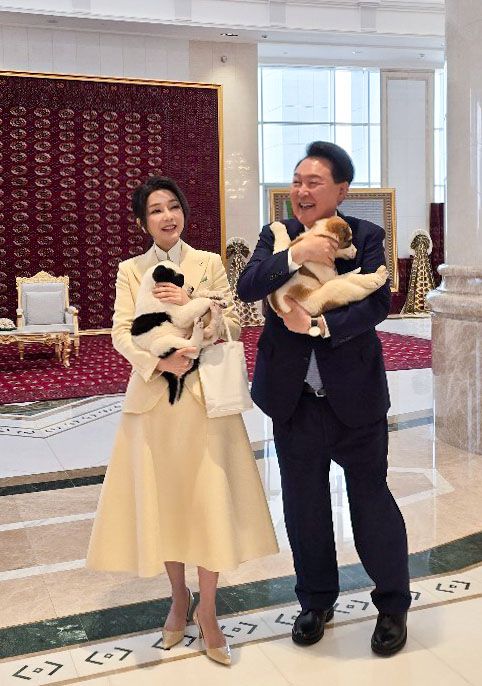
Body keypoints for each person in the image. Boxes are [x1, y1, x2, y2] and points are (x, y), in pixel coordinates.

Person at [87, 175, 278, 666]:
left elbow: (233, 323)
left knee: (208, 502)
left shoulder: (208, 263)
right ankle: (178, 597)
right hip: (155, 406)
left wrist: (196, 304)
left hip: (204, 402)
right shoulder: (131, 270)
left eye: (173, 206)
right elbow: (121, 331)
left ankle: (208, 609)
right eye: (156, 210)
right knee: (167, 504)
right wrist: (159, 360)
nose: (167, 216)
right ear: (142, 222)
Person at [237, 142, 411, 657]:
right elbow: (249, 286)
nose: (302, 190)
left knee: (371, 502)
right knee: (304, 507)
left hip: (354, 400)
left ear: (341, 190)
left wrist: (318, 324)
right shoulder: (276, 234)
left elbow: (377, 303)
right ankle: (315, 601)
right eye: (297, 181)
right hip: (295, 402)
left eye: (314, 182)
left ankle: (393, 604)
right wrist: (297, 255)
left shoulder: (366, 236)